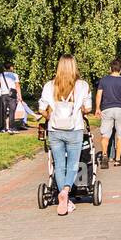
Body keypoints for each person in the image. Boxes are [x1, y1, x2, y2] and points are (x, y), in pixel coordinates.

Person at [39, 54, 92, 216]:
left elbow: (41, 109)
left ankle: (64, 198)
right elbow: (88, 108)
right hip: (74, 129)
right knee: (73, 164)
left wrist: (50, 116)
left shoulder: (49, 86)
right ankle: (66, 191)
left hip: (55, 130)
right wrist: (79, 110)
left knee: (59, 164)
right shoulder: (82, 85)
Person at [95, 57, 121, 167]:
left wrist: (97, 108)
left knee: (105, 134)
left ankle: (104, 155)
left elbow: (99, 95)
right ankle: (118, 159)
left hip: (106, 109)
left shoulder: (103, 80)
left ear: (110, 69)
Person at [0, 62, 21, 133]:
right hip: (12, 95)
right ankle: (11, 128)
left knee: (3, 111)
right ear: (11, 67)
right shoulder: (15, 75)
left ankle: (3, 128)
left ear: (4, 68)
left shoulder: (1, 75)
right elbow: (17, 86)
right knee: (12, 112)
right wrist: (20, 96)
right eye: (12, 67)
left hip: (3, 95)